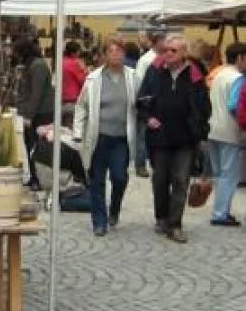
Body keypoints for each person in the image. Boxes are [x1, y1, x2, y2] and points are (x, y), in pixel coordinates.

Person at [138, 35, 210, 244]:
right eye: (166, 50)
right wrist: (147, 118)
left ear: (184, 53)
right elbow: (142, 99)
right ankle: (161, 217)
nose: (168, 54)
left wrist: (199, 127)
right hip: (160, 136)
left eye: (173, 50)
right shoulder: (154, 71)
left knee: (181, 180)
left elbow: (204, 105)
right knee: (160, 179)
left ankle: (175, 224)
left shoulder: (195, 74)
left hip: (185, 138)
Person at [72, 35, 138, 236]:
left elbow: (140, 103)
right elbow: (81, 106)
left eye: (118, 50)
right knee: (97, 181)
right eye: (110, 51)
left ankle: (115, 207)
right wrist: (77, 132)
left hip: (121, 139)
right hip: (99, 137)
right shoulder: (94, 79)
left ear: (124, 54)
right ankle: (99, 221)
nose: (115, 54)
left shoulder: (133, 77)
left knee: (119, 177)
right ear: (104, 55)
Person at [206, 42, 246, 228]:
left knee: (218, 173)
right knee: (229, 174)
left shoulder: (218, 74)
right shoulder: (238, 78)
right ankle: (220, 213)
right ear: (240, 58)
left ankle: (219, 209)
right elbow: (234, 105)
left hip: (212, 128)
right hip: (230, 130)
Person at [13, 37, 54, 190]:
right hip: (33, 111)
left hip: (41, 113)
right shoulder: (30, 65)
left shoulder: (38, 66)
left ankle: (38, 179)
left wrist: (29, 116)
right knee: (30, 144)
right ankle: (34, 176)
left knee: (37, 147)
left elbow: (37, 93)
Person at [134, 30, 166, 178]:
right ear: (157, 41)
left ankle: (157, 162)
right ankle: (140, 165)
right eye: (164, 40)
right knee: (142, 134)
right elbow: (140, 81)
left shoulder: (165, 58)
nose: (166, 43)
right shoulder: (146, 60)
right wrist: (142, 102)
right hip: (148, 102)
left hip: (160, 103)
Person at [61, 42, 87, 127]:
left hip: (63, 99)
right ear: (73, 53)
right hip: (73, 99)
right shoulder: (73, 63)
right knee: (73, 127)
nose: (79, 54)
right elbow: (83, 80)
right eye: (78, 52)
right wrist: (84, 70)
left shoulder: (61, 62)